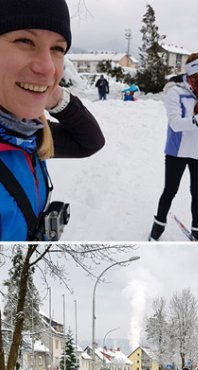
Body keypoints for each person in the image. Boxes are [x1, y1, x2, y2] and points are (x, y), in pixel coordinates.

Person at [0, 0, 105, 242]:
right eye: (25, 41)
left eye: (58, 49)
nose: (48, 67)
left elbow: (89, 142)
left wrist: (52, 94)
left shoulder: (28, 135)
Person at [149, 54, 198, 242]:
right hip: (177, 151)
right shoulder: (175, 91)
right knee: (170, 190)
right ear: (195, 73)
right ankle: (158, 227)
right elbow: (175, 123)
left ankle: (197, 231)